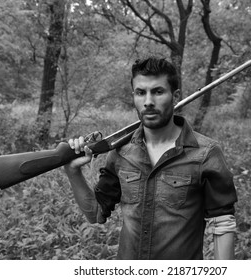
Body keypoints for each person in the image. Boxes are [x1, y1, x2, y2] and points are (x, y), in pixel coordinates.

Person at [64, 57, 238, 260]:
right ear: (133, 96)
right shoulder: (121, 152)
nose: (148, 102)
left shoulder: (205, 153)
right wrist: (73, 171)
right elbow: (96, 214)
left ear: (175, 96)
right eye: (141, 92)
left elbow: (223, 223)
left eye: (157, 91)